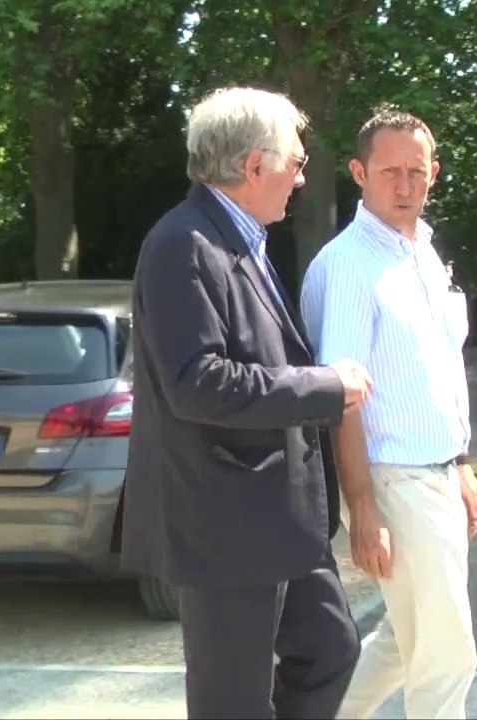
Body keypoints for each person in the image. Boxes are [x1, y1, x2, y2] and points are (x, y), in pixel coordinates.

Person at [117, 85, 373, 719]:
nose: (303, 177)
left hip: (279, 519)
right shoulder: (183, 244)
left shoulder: (241, 240)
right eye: (296, 161)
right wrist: (326, 388)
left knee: (331, 649)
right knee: (230, 700)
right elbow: (197, 382)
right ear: (256, 165)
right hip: (224, 522)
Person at [300, 106, 477, 719]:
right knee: (447, 653)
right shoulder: (350, 265)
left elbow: (436, 371)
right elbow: (342, 397)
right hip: (392, 478)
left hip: (436, 473)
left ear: (434, 172)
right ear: (359, 172)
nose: (405, 186)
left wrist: (459, 463)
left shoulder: (424, 253)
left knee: (407, 644)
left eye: (416, 171)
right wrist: (363, 504)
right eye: (389, 172)